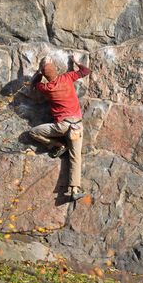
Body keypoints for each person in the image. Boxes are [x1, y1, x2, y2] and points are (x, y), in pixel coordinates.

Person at [29, 54, 91, 201]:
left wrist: (40, 71)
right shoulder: (67, 78)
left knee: (33, 132)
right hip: (76, 126)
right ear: (56, 70)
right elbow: (85, 71)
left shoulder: (46, 88)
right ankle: (74, 189)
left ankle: (56, 145)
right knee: (75, 158)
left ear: (45, 75)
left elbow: (33, 84)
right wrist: (76, 61)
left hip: (61, 127)